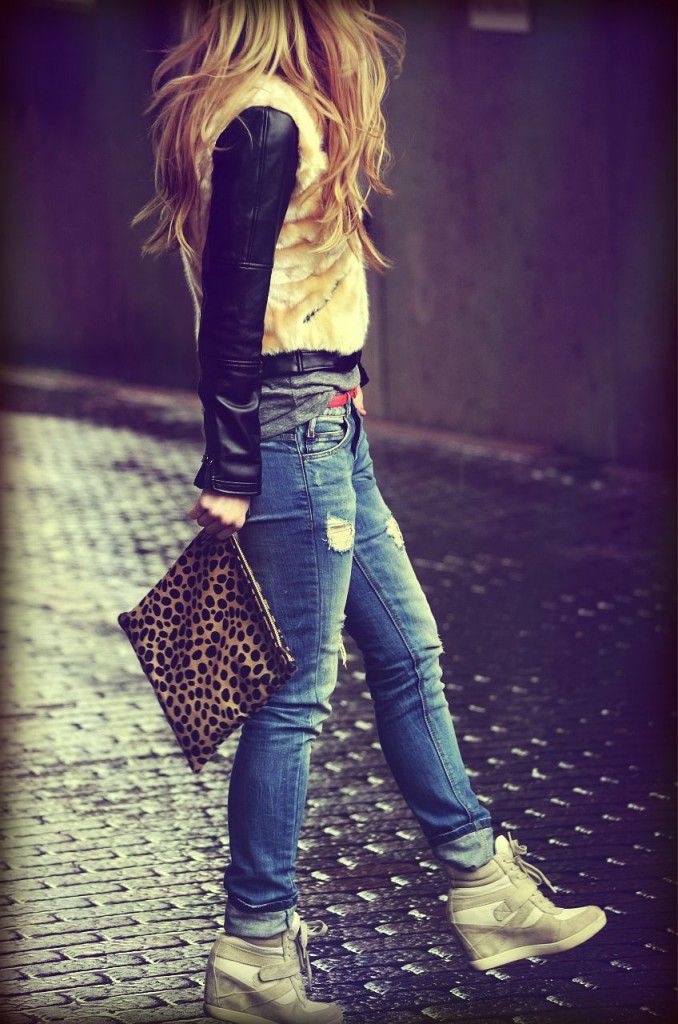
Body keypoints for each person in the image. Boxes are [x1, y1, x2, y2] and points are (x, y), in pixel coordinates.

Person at [132, 2, 607, 1021]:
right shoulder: (265, 119)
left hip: (329, 425)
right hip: (292, 432)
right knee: (293, 697)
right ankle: (254, 953)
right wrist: (232, 465)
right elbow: (233, 310)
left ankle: (485, 888)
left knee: (408, 650)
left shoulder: (264, 106)